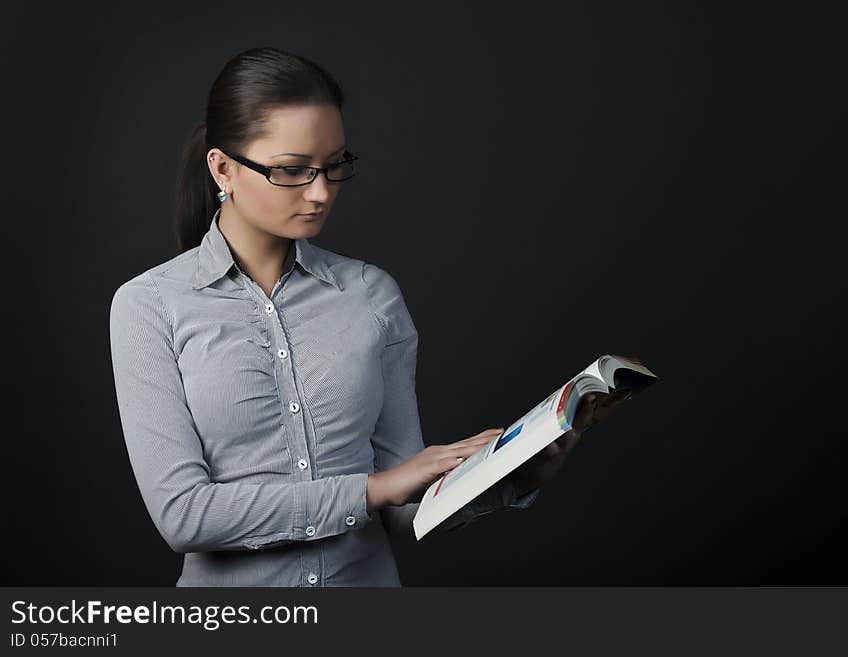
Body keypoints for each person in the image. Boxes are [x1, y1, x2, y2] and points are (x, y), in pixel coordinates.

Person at [108, 47, 597, 587]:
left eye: (334, 165)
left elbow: (404, 511)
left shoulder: (371, 295)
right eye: (292, 171)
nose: (320, 192)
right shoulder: (149, 305)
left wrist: (509, 477)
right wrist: (373, 489)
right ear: (223, 167)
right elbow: (184, 515)